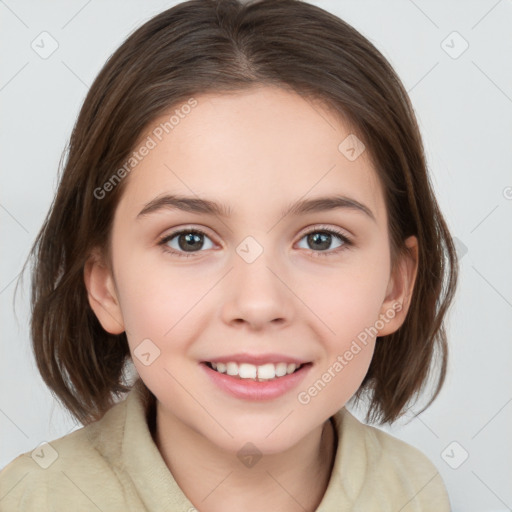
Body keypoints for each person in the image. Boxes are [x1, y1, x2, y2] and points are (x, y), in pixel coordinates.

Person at [0, 0, 459, 510]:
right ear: (105, 284)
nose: (259, 303)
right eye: (189, 240)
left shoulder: (414, 490)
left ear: (395, 288)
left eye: (321, 239)